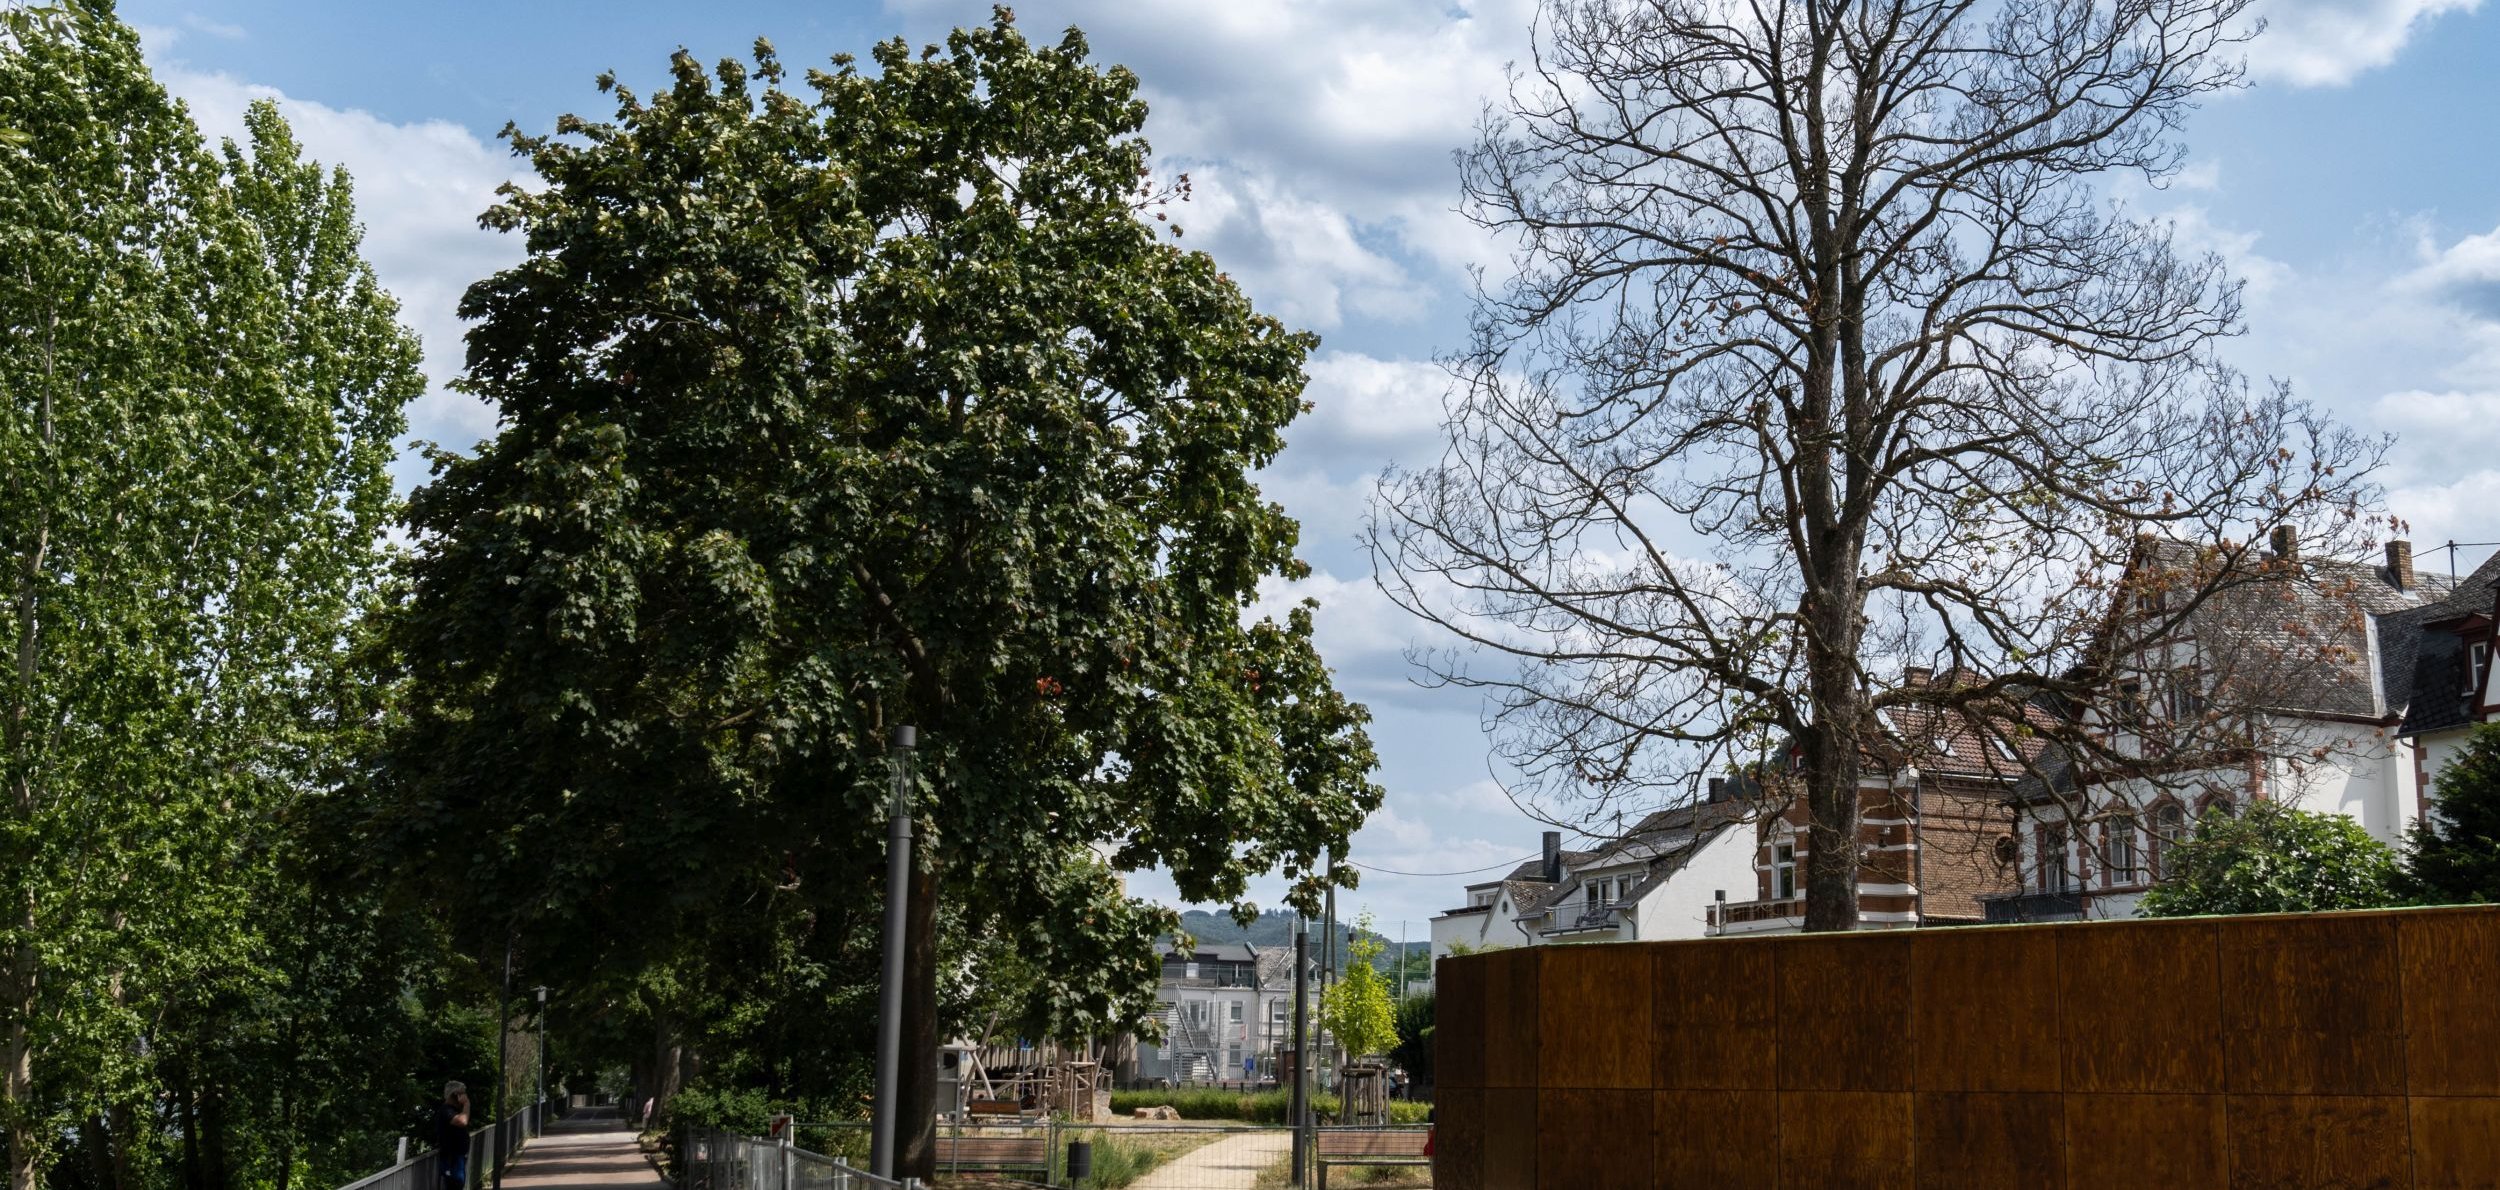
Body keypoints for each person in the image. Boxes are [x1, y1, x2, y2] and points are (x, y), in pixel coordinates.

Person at [434, 1082, 472, 1190]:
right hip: (451, 1159)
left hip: (457, 1158)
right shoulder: (446, 1110)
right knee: (454, 1185)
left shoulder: (454, 1110)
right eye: (463, 1093)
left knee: (458, 1185)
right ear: (456, 1095)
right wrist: (466, 1104)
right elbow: (463, 1121)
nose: (465, 1096)